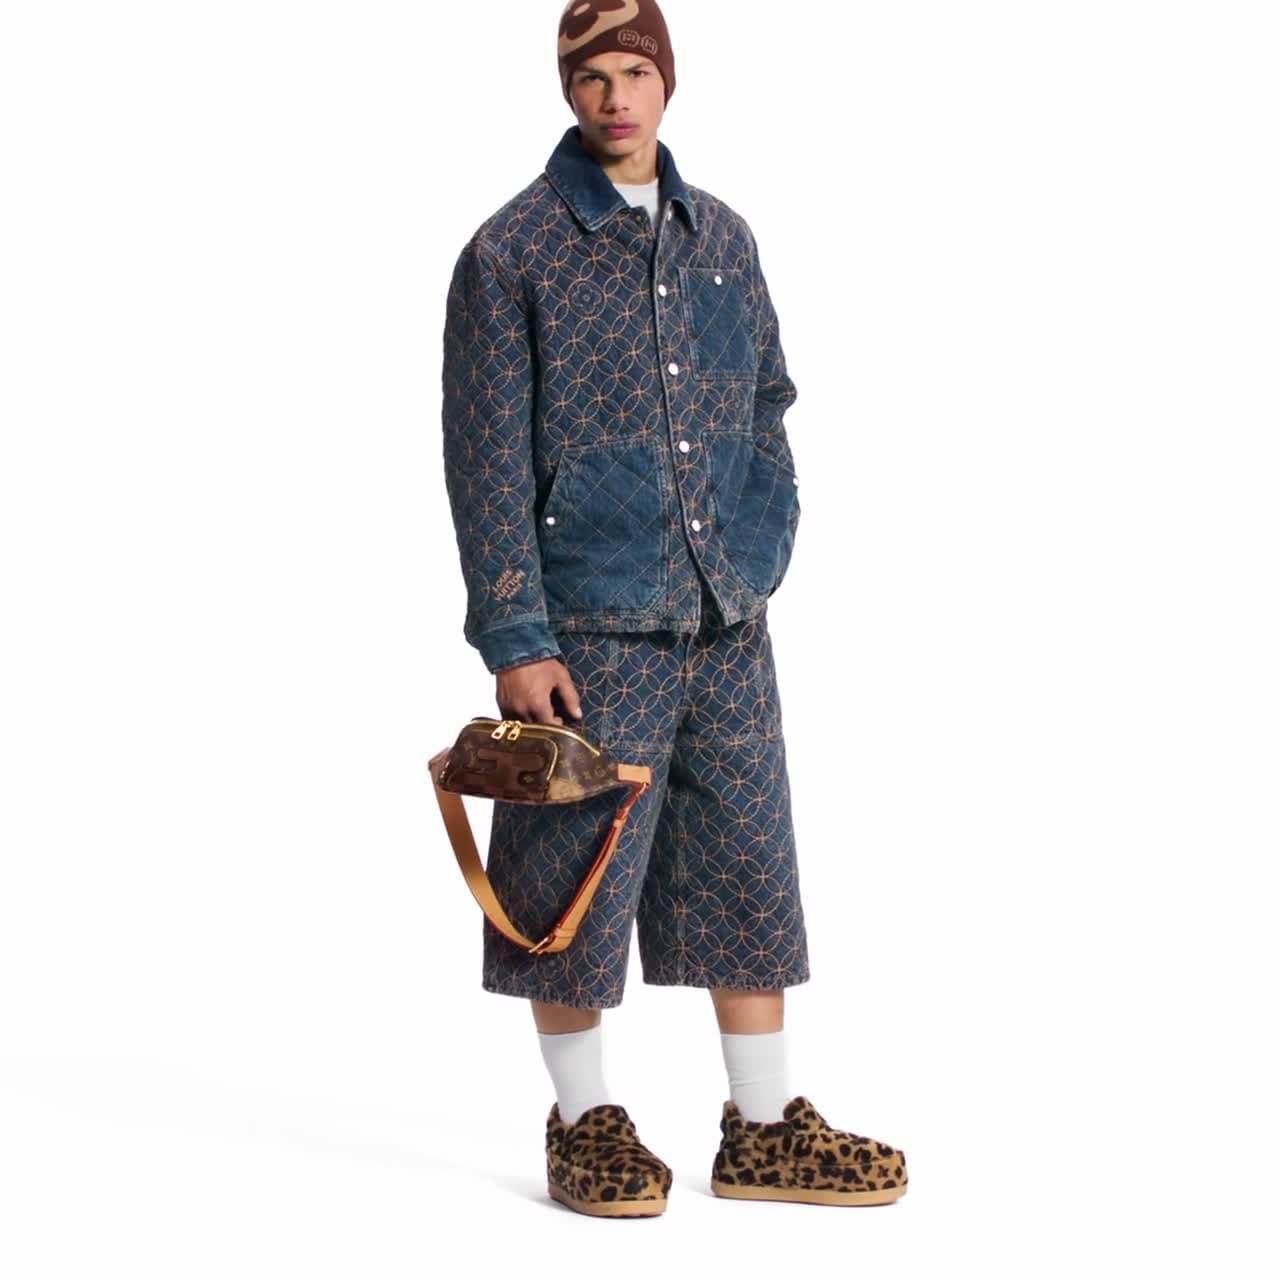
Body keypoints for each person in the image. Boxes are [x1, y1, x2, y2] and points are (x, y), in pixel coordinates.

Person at [440, 0, 907, 1216]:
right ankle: (582, 1120)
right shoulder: (510, 252)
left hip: (724, 619)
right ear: (566, 89)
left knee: (747, 864)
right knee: (570, 883)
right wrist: (517, 636)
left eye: (634, 71)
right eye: (591, 75)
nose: (614, 97)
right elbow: (485, 462)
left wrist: (755, 555)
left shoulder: (723, 239)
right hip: (589, 633)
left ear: (667, 81)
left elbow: (766, 407)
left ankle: (763, 1125)